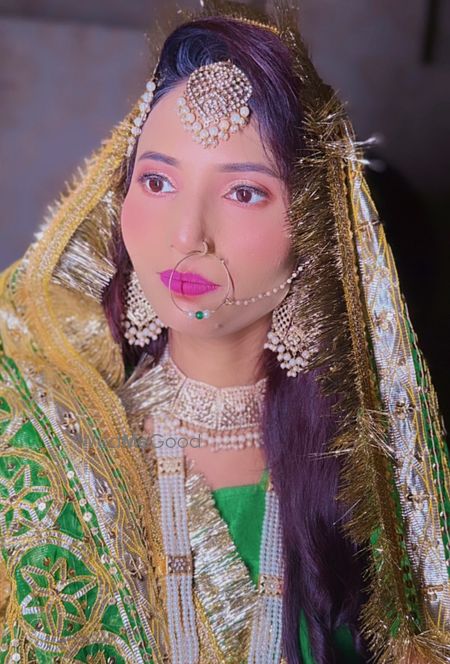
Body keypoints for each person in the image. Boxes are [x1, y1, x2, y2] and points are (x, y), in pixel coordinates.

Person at [0, 2, 448, 662]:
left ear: (318, 228)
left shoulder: (380, 485)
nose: (187, 235)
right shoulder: (37, 449)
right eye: (157, 181)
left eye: (243, 193)